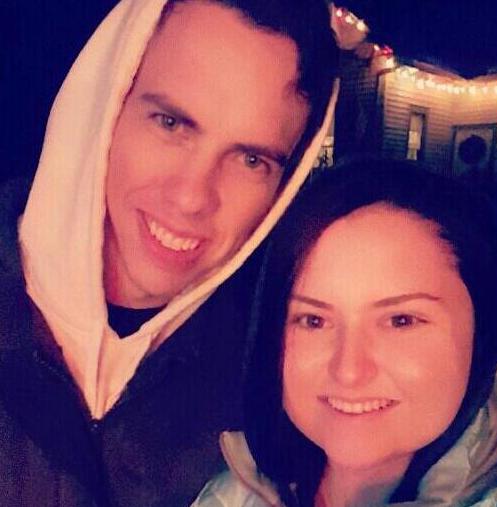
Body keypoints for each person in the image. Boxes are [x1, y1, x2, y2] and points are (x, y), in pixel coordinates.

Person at [0, 0, 339, 505]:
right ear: (106, 99)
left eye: (251, 160)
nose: (191, 197)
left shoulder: (272, 384)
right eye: (171, 123)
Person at [192, 159, 497, 506]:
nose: (349, 371)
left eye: (400, 320)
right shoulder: (227, 489)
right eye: (314, 320)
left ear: (482, 334)